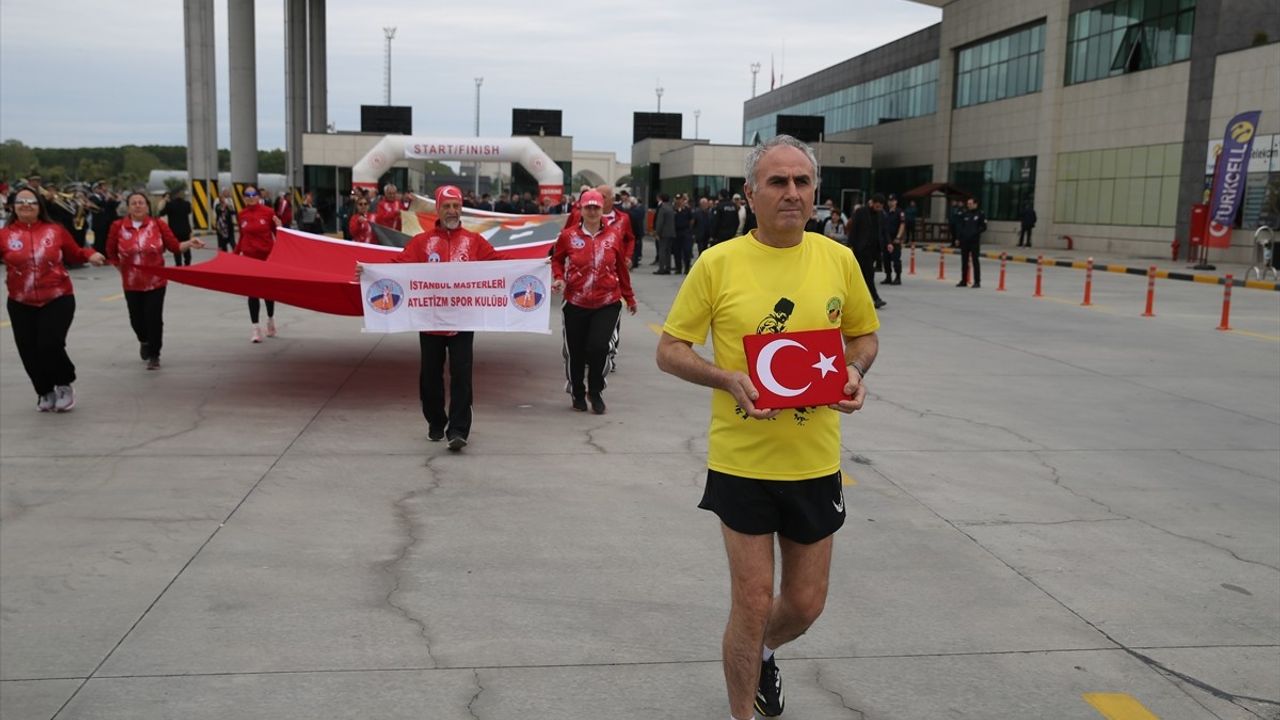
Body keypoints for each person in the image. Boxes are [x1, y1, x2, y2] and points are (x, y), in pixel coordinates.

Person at [656, 135, 879, 720]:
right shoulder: (718, 263)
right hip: (743, 462)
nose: (791, 193)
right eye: (777, 182)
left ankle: (765, 655)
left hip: (814, 460)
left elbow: (864, 335)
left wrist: (853, 371)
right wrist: (725, 377)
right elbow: (670, 349)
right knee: (752, 602)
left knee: (804, 604)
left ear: (816, 195)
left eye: (802, 182)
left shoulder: (839, 260)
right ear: (750, 193)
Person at [367, 185, 500, 451]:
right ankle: (436, 422)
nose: (452, 210)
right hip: (429, 320)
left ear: (461, 208)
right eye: (447, 206)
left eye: (456, 206)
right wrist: (369, 271)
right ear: (438, 209)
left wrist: (537, 266)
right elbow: (398, 267)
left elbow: (501, 264)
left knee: (462, 375)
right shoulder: (422, 242)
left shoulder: (474, 242)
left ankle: (459, 430)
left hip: (463, 320)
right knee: (430, 376)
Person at [1, 187, 107, 412]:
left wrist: (91, 255)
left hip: (57, 297)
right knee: (28, 350)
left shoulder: (55, 230)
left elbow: (76, 252)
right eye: (21, 201)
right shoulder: (5, 235)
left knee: (49, 344)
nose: (26, 205)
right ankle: (44, 391)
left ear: (40, 207)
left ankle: (64, 383)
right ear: (13, 207)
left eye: (31, 201)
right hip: (20, 302)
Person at [550, 189, 637, 414]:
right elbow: (557, 260)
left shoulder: (613, 236)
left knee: (598, 347)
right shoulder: (568, 236)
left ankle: (596, 391)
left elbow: (621, 269)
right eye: (587, 207)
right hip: (576, 302)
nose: (591, 211)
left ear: (602, 210)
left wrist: (629, 296)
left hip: (607, 301)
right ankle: (578, 391)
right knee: (576, 352)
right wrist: (559, 278)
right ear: (580, 208)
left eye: (595, 207)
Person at [107, 192, 205, 369]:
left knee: (153, 318)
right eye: (134, 203)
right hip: (132, 283)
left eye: (141, 203)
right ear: (128, 207)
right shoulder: (118, 226)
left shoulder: (158, 225)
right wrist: (121, 269)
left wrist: (190, 243)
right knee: (136, 319)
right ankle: (144, 341)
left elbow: (174, 246)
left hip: (156, 282)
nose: (137, 206)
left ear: (147, 206)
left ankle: (154, 354)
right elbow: (111, 252)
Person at [234, 185, 283, 341]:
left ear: (258, 195)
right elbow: (242, 237)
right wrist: (234, 256)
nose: (250, 197)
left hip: (266, 258)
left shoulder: (268, 212)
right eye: (247, 195)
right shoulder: (241, 215)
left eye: (253, 194)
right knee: (252, 293)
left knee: (268, 292)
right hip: (250, 259)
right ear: (243, 198)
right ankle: (255, 328)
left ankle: (270, 320)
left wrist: (280, 226)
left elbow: (279, 235)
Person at [848, 193, 887, 308]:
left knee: (866, 276)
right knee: (866, 275)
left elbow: (882, 231)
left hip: (873, 251)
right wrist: (851, 246)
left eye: (881, 207)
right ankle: (876, 298)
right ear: (873, 203)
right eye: (877, 206)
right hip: (861, 250)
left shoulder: (880, 215)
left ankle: (866, 300)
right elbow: (853, 230)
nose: (879, 209)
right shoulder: (861, 212)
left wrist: (886, 244)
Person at [955, 197, 987, 288]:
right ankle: (964, 280)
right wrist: (958, 238)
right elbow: (961, 227)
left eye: (970, 203)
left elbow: (983, 227)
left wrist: (975, 232)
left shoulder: (980, 214)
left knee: (975, 261)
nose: (968, 205)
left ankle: (977, 281)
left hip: (974, 241)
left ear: (975, 204)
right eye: (968, 203)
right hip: (965, 241)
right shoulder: (965, 214)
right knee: (964, 261)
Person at [160, 187, 194, 266]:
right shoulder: (187, 204)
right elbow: (189, 211)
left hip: (174, 231)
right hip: (185, 230)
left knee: (177, 248)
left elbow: (161, 213)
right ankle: (187, 265)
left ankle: (179, 265)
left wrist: (165, 201)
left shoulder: (170, 205)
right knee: (187, 249)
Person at [881, 195, 905, 285]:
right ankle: (888, 276)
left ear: (896, 202)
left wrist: (898, 237)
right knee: (886, 259)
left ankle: (898, 277)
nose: (891, 202)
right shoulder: (885, 212)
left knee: (896, 259)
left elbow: (902, 225)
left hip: (895, 240)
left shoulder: (899, 212)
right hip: (886, 240)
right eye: (890, 201)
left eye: (893, 200)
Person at [653, 194, 676, 275]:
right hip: (671, 232)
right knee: (668, 251)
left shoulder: (662, 208)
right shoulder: (671, 207)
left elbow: (660, 221)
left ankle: (661, 268)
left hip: (664, 233)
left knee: (662, 250)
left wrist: (657, 232)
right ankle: (668, 267)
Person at [213, 187, 237, 252]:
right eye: (226, 192)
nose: (227, 193)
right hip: (221, 226)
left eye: (228, 192)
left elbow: (233, 212)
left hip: (229, 225)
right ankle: (223, 254)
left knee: (232, 242)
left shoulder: (230, 201)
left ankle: (236, 255)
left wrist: (229, 206)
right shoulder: (217, 203)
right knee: (222, 243)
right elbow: (217, 211)